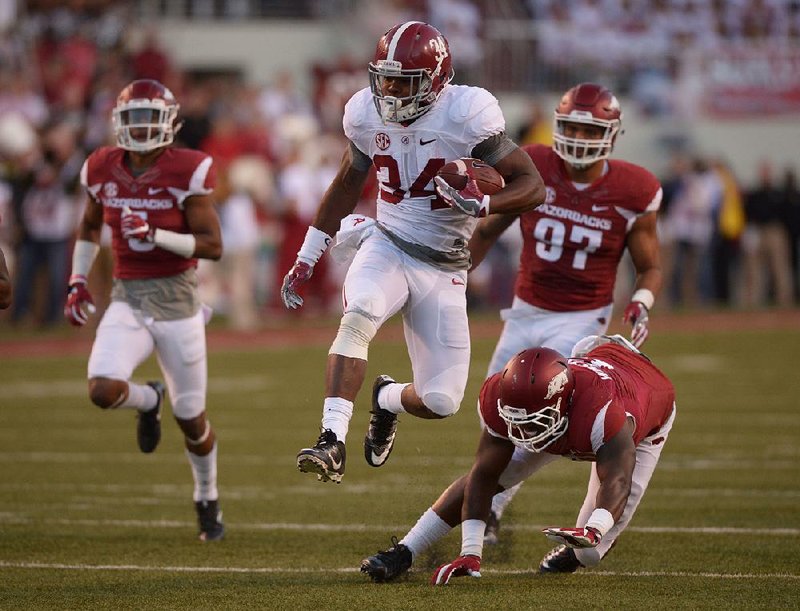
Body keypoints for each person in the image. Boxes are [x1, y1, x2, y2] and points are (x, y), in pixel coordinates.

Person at [281, 21, 545, 484]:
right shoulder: (365, 113)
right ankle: (331, 440)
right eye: (384, 78)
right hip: (388, 241)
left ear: (437, 79)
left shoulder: (466, 115)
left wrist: (482, 203)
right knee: (359, 312)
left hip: (443, 265)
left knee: (441, 401)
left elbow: (532, 186)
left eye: (404, 82)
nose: (390, 91)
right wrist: (307, 255)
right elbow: (346, 184)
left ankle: (386, 398)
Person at [466, 82, 663, 543]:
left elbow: (650, 265)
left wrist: (641, 301)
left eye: (588, 128)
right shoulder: (535, 164)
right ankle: (486, 504)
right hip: (526, 308)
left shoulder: (634, 188)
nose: (577, 136)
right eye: (571, 125)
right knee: (495, 412)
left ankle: (491, 506)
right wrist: (456, 272)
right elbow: (491, 226)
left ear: (612, 135)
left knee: (537, 406)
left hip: (582, 316)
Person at [360, 335, 676, 583]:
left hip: (646, 401)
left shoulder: (602, 413)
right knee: (492, 474)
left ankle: (574, 555)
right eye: (517, 421)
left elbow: (617, 479)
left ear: (562, 405)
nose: (522, 432)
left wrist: (594, 529)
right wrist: (471, 552)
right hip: (582, 385)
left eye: (533, 421)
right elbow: (483, 477)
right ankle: (404, 551)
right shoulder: (502, 397)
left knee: (591, 552)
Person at [64, 79, 225, 541]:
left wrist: (156, 234)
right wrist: (77, 279)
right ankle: (148, 399)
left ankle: (206, 495)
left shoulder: (189, 169)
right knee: (101, 388)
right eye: (131, 117)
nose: (139, 127)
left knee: (192, 419)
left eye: (148, 117)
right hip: (128, 297)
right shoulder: (101, 166)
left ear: (170, 122)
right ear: (118, 121)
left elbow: (213, 245)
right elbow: (90, 227)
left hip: (177, 302)